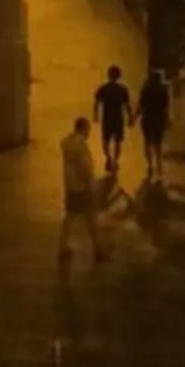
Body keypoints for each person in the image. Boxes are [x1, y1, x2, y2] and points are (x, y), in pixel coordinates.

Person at [57, 114, 105, 275]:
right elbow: (85, 168)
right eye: (88, 130)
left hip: (71, 186)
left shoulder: (68, 143)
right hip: (81, 187)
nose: (89, 133)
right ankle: (97, 249)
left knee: (71, 216)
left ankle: (64, 247)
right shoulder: (79, 146)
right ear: (83, 129)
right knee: (90, 217)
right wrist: (93, 186)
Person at [92, 63, 134, 177]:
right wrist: (130, 117)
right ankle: (115, 161)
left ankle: (108, 158)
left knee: (105, 141)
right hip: (118, 118)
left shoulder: (103, 88)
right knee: (118, 142)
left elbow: (97, 103)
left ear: (108, 75)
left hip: (107, 118)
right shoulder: (122, 90)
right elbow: (127, 105)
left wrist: (95, 115)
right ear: (119, 76)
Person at [137, 65, 173, 184]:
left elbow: (141, 105)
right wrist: (168, 120)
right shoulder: (163, 90)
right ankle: (159, 165)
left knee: (147, 142)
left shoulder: (146, 89)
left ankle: (150, 165)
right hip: (160, 118)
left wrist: (134, 117)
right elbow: (167, 107)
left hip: (148, 117)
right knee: (158, 143)